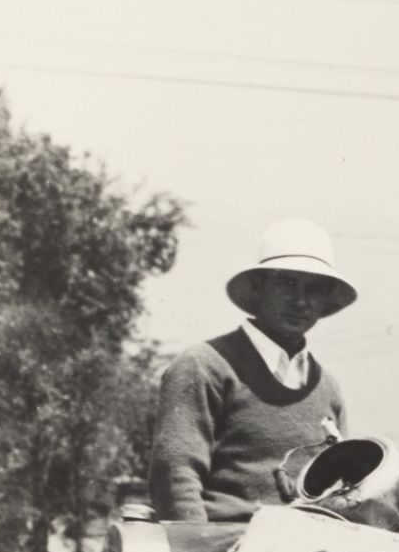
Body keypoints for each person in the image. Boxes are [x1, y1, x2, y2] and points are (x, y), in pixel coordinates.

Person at [150, 219, 355, 522]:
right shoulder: (204, 365)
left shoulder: (328, 387)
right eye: (286, 283)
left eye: (314, 288)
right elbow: (176, 475)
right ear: (259, 288)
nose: (300, 300)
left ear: (325, 300)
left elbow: (343, 489)